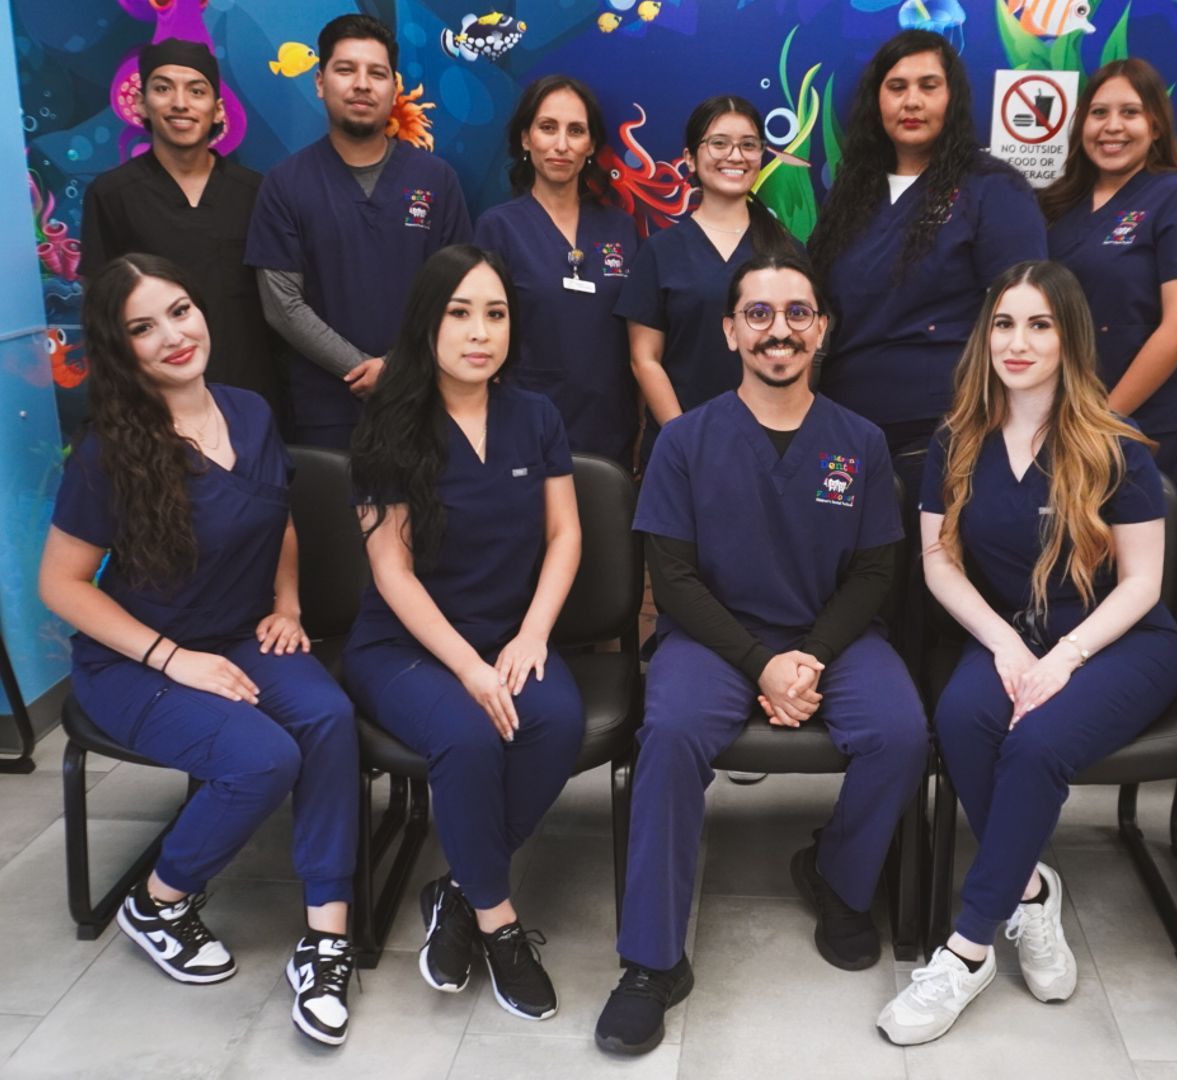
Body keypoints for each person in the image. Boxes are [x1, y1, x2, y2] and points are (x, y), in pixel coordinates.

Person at [595, 252, 929, 1056]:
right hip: (714, 639)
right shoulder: (685, 442)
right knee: (669, 736)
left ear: (821, 330)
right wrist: (759, 663)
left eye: (797, 313)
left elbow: (877, 570)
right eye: (759, 314)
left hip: (832, 638)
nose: (779, 330)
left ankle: (838, 881)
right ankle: (651, 960)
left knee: (902, 733)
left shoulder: (860, 441)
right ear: (729, 330)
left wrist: (807, 656)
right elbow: (670, 579)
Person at [37, 254, 359, 1046]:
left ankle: (326, 937)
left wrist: (286, 604)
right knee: (261, 759)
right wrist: (175, 661)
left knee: (329, 718)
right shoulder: (110, 452)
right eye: (143, 328)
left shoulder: (248, 412)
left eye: (180, 310)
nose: (173, 336)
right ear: (122, 349)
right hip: (136, 662)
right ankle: (159, 901)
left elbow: (277, 515)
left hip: (243, 636)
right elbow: (63, 586)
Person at [877, 260, 1177, 1044]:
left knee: (1037, 741)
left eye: (1039, 325)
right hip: (1014, 633)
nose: (1018, 342)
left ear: (1068, 339)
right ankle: (1031, 892)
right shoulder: (958, 439)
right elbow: (938, 561)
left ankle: (968, 948)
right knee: (962, 716)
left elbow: (1144, 583)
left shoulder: (1116, 447)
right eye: (1005, 324)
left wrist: (1066, 657)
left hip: (1118, 642)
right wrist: (1009, 644)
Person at [344, 245, 586, 1021]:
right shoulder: (389, 426)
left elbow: (564, 537)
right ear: (427, 322)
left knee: (557, 721)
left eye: (495, 314)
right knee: (473, 738)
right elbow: (393, 575)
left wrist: (532, 635)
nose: (479, 332)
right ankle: (499, 924)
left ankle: (454, 888)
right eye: (459, 313)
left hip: (508, 636)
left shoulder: (536, 416)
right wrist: (472, 671)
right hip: (407, 648)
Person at [811, 29, 1047, 496]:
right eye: (897, 87)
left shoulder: (991, 187)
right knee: (850, 567)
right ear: (877, 102)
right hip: (844, 421)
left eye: (928, 86)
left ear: (952, 97)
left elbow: (1027, 316)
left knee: (932, 567)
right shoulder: (852, 192)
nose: (912, 101)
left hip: (947, 427)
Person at [246, 13, 472, 448]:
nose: (362, 84)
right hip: (327, 411)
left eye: (377, 73)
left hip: (424, 402)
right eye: (346, 69)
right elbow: (282, 305)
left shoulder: (436, 179)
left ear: (394, 87)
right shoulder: (285, 184)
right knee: (336, 517)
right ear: (319, 81)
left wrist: (400, 368)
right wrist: (363, 368)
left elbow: (458, 294)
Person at [80, 40, 285, 420]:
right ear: (141, 103)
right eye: (162, 88)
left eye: (196, 91)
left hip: (254, 396)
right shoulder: (111, 195)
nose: (180, 103)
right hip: (154, 404)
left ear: (218, 109)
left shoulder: (257, 193)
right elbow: (101, 310)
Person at [1041, 58, 1177, 486]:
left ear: (1156, 126)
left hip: (1140, 420)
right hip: (1061, 419)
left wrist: (1104, 419)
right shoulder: (1058, 207)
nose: (1112, 126)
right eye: (1099, 113)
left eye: (1130, 112)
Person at [616, 94, 800, 465]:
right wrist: (684, 439)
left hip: (768, 448)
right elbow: (644, 359)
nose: (735, 155)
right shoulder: (660, 251)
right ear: (689, 158)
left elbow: (804, 354)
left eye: (748, 145)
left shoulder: (788, 252)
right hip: (679, 449)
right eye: (719, 143)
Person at [474, 75, 640, 466]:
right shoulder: (497, 228)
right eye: (548, 128)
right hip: (523, 433)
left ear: (591, 145)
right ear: (525, 139)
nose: (562, 145)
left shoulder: (621, 228)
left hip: (611, 432)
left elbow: (643, 336)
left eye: (576, 131)